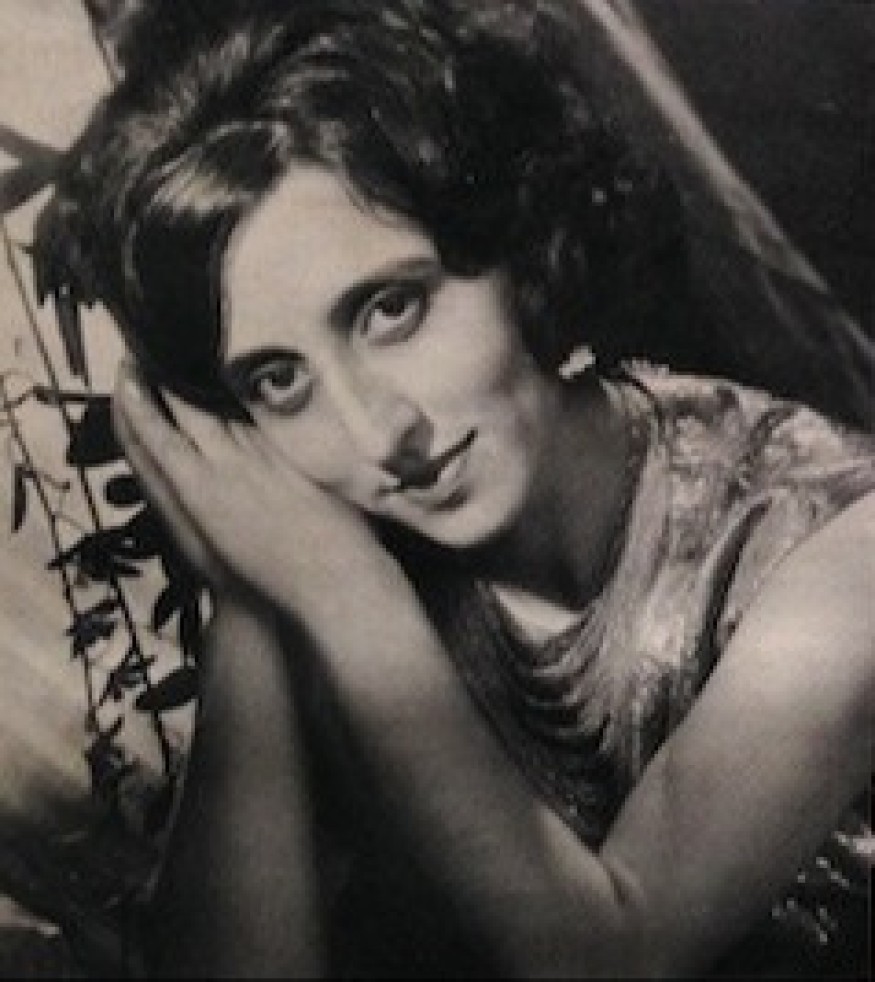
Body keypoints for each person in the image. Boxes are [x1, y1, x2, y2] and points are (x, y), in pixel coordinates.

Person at [24, 0, 874, 976]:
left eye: (391, 309)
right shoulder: (339, 563)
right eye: (279, 380)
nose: (376, 432)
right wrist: (250, 600)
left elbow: (611, 957)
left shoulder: (838, 549)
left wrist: (345, 602)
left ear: (519, 247)